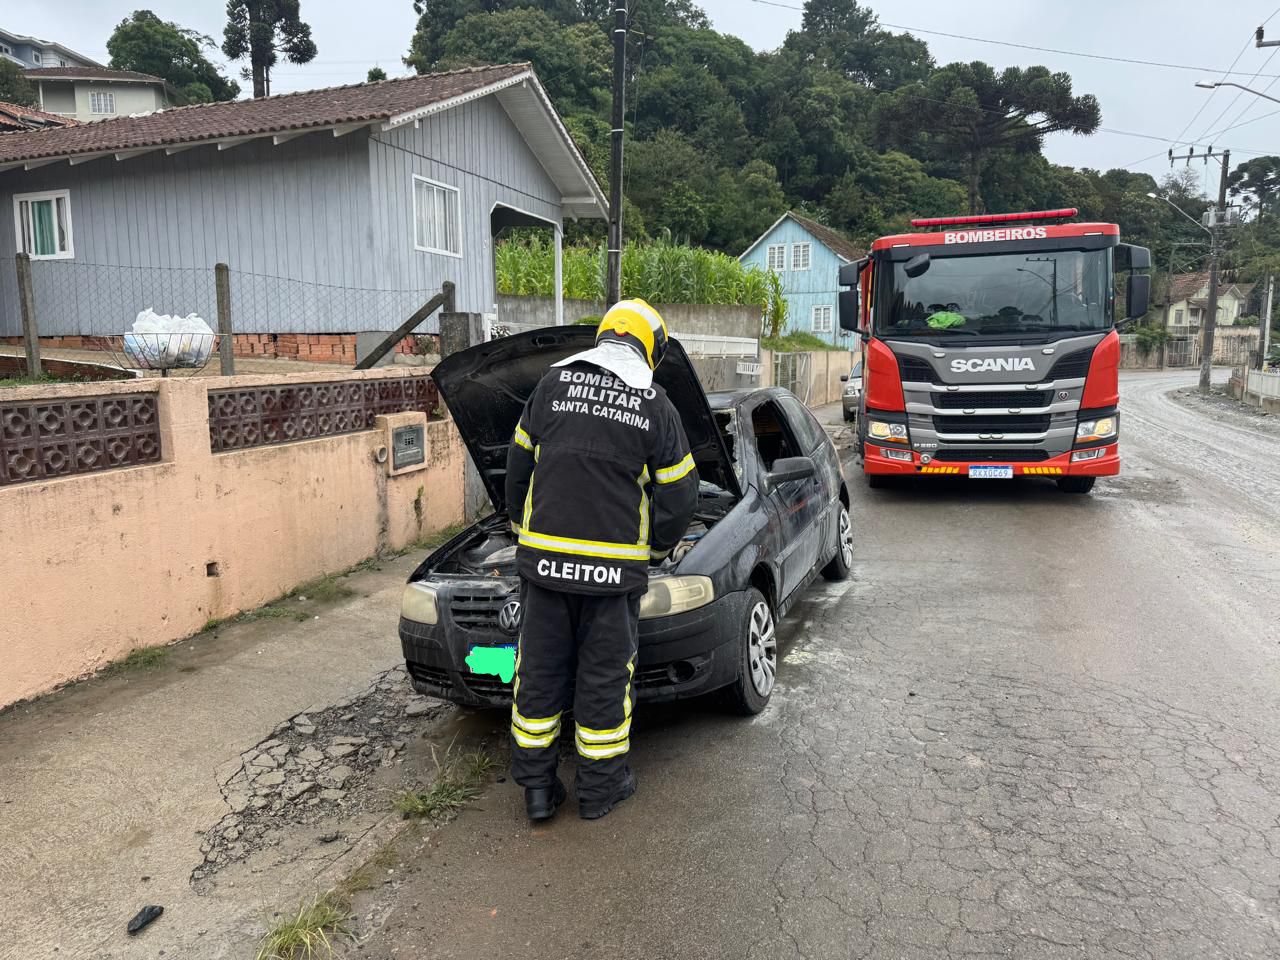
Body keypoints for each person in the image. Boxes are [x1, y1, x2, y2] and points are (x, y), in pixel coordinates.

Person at [504, 299, 699, 821]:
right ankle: (599, 790)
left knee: (538, 673)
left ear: (604, 334)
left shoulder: (552, 384)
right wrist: (657, 550)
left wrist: (524, 532)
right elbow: (681, 494)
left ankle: (538, 791)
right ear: (652, 349)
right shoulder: (655, 403)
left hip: (545, 570)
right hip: (612, 578)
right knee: (604, 679)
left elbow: (518, 465)